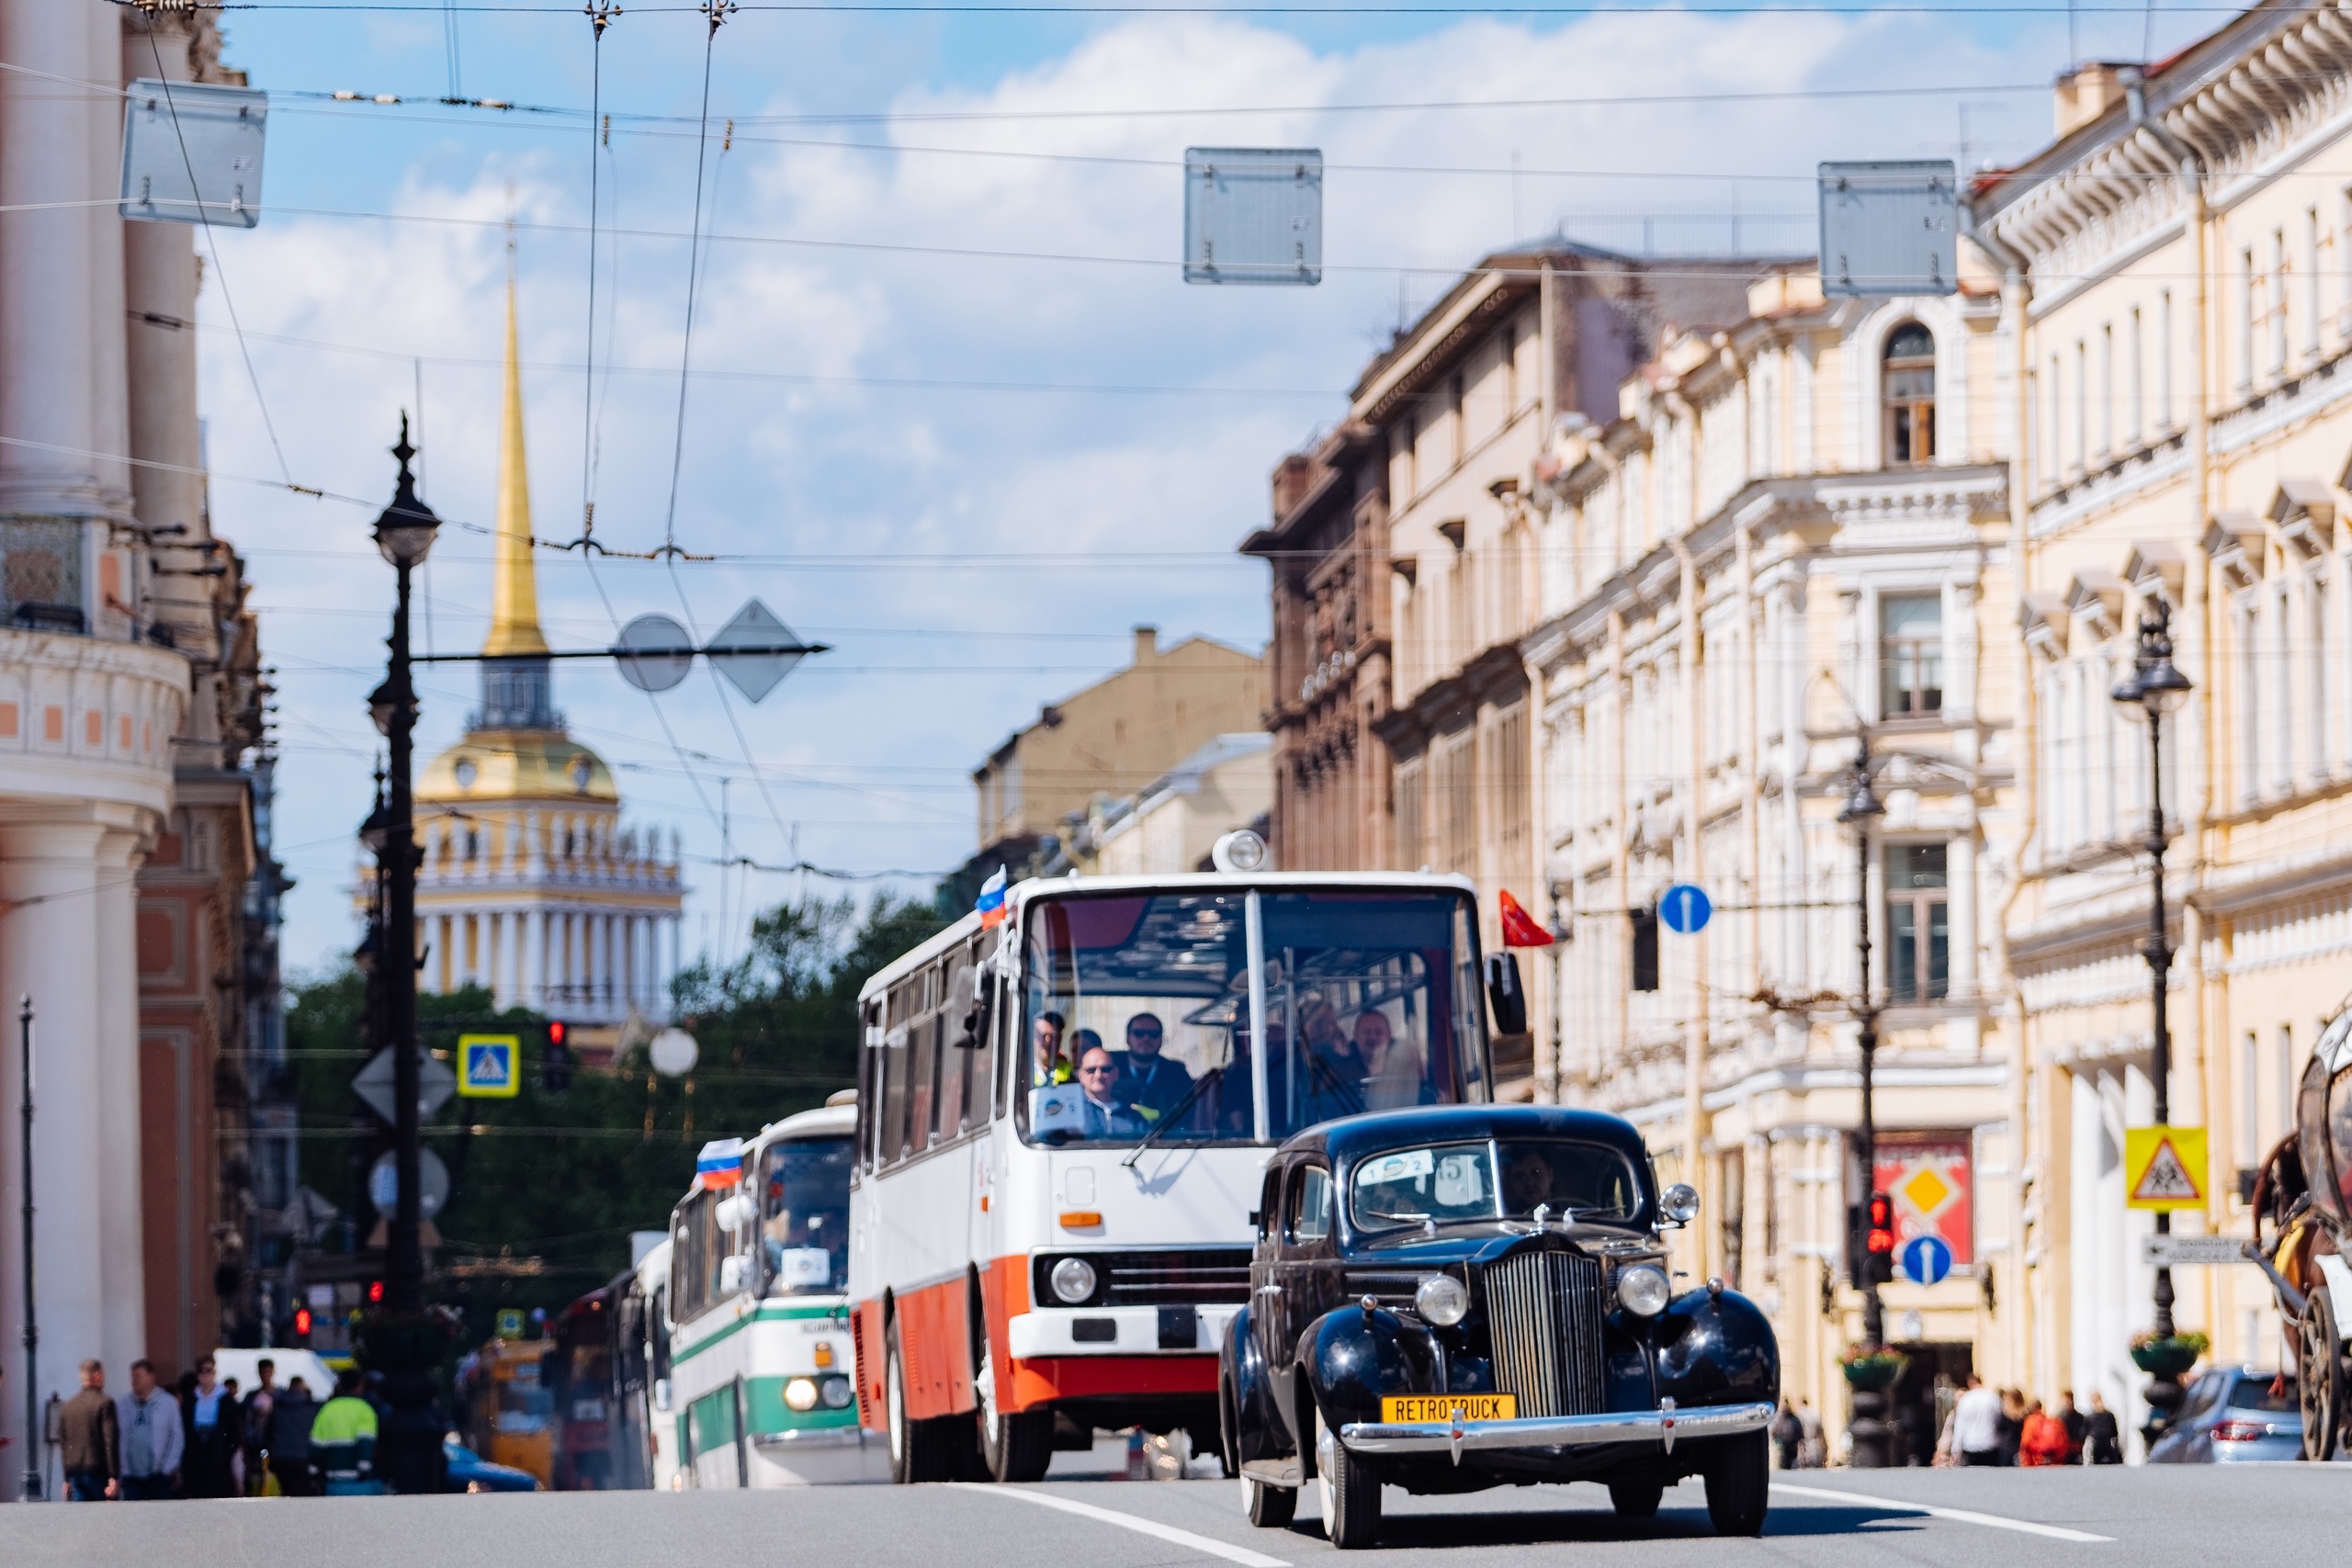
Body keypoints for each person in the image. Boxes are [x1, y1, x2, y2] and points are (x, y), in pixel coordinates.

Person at [116, 1359, 184, 1501]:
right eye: (133, 1376)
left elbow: (177, 1437)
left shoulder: (168, 1403)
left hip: (158, 1475)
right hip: (131, 1476)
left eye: (138, 1376)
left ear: (151, 1377)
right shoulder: (123, 1404)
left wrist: (167, 1468)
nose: (134, 1380)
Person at [181, 1354, 243, 1498]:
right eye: (201, 1371)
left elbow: (234, 1431)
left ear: (214, 1373)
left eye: (208, 1370)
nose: (204, 1374)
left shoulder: (226, 1400)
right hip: (197, 1454)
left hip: (218, 1455)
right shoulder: (191, 1399)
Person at [311, 1368, 381, 1492]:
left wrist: (313, 1471)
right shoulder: (365, 1410)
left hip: (333, 1481)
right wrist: (363, 1470)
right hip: (359, 1482)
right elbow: (366, 1442)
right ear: (360, 1387)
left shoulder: (327, 1409)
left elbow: (316, 1445)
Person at [1114, 1011, 1193, 1121]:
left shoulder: (1176, 1073)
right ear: (1127, 1038)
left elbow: (1187, 1114)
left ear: (1161, 1039)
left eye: (1153, 1034)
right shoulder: (1109, 1067)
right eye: (1139, 1033)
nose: (1146, 1038)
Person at [59, 1359, 119, 1501]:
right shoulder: (104, 1402)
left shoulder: (69, 1405)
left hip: (75, 1470)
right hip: (98, 1469)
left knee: (82, 1516)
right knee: (105, 1517)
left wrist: (66, 1477)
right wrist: (113, 1475)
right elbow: (110, 1439)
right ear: (97, 1375)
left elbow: (64, 1442)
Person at [1353, 1010, 1428, 1111]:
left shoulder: (1405, 1068)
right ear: (1355, 1036)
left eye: (1378, 1032)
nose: (1372, 1037)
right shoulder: (1340, 1072)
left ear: (1389, 1035)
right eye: (1366, 1032)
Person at [1073, 1045, 1145, 1138]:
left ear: (1116, 1073)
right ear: (1081, 1076)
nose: (1098, 1075)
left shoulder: (1132, 1115)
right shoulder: (1072, 1111)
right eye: (1091, 1070)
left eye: (1105, 1069)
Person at [269, 1374, 321, 1496]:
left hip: (279, 1458)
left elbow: (269, 1433)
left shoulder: (277, 1406)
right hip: (302, 1458)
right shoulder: (312, 1408)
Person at [1949, 1374, 2004, 1466]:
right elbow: (1998, 1419)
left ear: (1969, 1383)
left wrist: (1956, 1449)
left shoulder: (1966, 1400)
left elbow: (1960, 1425)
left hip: (1971, 1444)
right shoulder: (1992, 1397)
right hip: (1989, 1443)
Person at [243, 1359, 277, 1496]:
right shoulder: (251, 1396)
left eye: (267, 1371)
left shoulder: (279, 1395)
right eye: (262, 1372)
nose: (265, 1375)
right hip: (256, 1443)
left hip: (273, 1442)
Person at [2019, 1398, 2070, 1466]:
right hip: (2054, 1463)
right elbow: (2064, 1443)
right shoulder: (2055, 1421)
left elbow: (2026, 1443)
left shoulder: (2030, 1421)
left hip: (2035, 1463)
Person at [1032, 1010, 1070, 1086]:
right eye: (1042, 1035)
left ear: (1060, 1039)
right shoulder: (1023, 1073)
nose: (1048, 1041)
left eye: (1053, 1036)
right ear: (1032, 1038)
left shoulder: (1071, 1073)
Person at [2084, 1391, 2124, 1465]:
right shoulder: (2090, 1416)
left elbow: (2114, 1433)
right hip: (2100, 1444)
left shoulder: (2107, 1415)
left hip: (2103, 1444)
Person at [1996, 1387, 2026, 1466]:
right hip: (2019, 1448)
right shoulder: (2024, 1414)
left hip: (2006, 1449)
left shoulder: (2004, 1414)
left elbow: (1998, 1428)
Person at [2056, 1389, 2087, 1465]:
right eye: (2067, 1401)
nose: (2069, 1403)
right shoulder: (2058, 1418)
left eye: (2070, 1400)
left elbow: (2083, 1432)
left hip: (2076, 1449)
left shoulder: (2080, 1417)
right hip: (2064, 1451)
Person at [1770, 1398, 1803, 1470]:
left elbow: (1799, 1432)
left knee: (1791, 1464)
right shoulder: (1779, 1418)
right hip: (1782, 1446)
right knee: (1784, 1464)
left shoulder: (1792, 1418)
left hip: (1791, 1446)